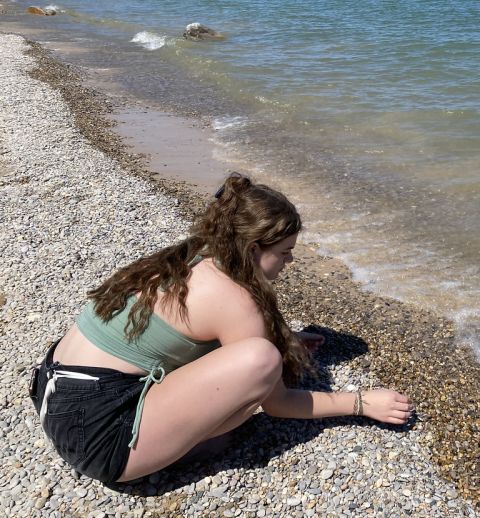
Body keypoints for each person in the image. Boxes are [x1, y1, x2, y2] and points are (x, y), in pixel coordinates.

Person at [29, 174, 412, 484]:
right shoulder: (236, 300)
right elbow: (277, 404)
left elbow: (187, 329)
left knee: (250, 355)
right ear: (253, 249)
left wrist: (287, 339)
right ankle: (166, 454)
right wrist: (361, 403)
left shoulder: (191, 256)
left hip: (53, 388)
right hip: (99, 439)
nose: (290, 261)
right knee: (260, 364)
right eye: (284, 252)